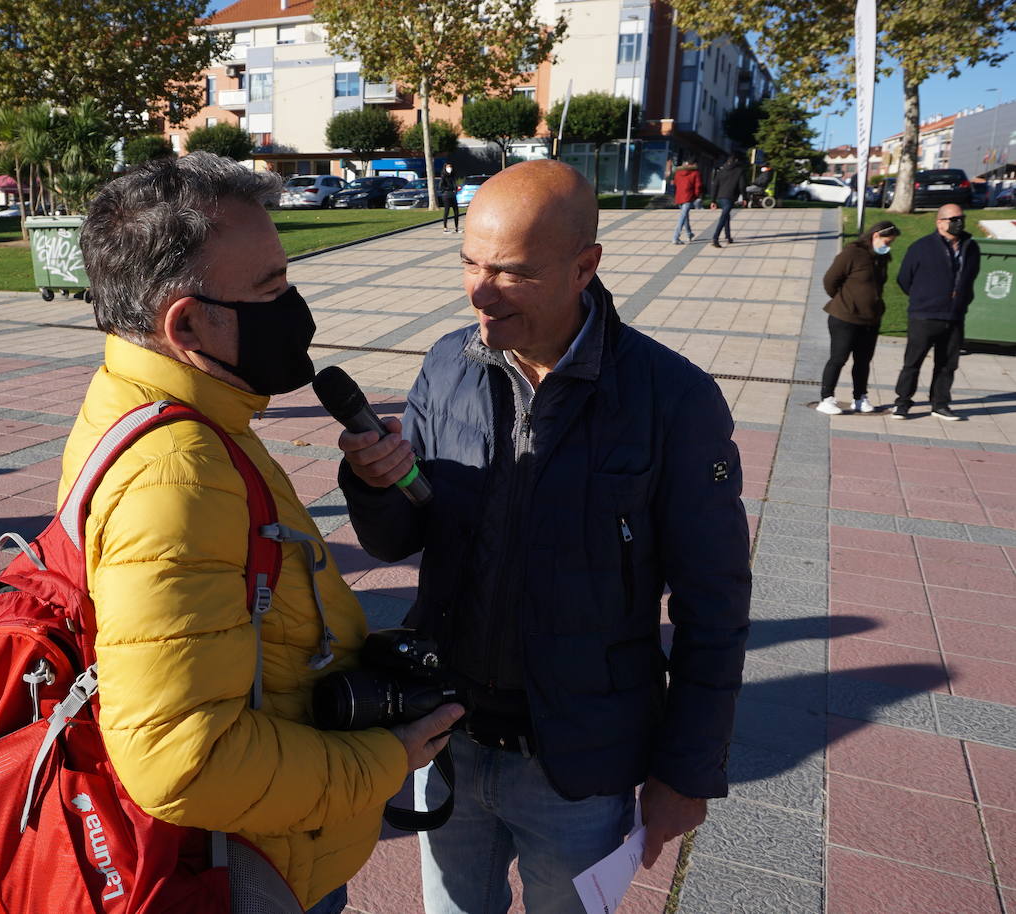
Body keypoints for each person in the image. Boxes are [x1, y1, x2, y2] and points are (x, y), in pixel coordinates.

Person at [337, 160, 751, 914]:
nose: (479, 291)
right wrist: (375, 484)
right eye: (468, 261)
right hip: (444, 736)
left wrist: (686, 774)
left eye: (512, 273)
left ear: (584, 268)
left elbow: (714, 604)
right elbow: (405, 540)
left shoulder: (673, 399)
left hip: (577, 763)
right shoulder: (444, 363)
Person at [65, 152, 461, 914]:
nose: (297, 308)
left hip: (276, 834)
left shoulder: (176, 403)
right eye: (272, 289)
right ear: (186, 323)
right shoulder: (175, 476)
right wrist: (386, 758)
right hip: (259, 867)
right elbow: (181, 762)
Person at [893, 204, 981, 420]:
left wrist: (962, 300)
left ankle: (940, 404)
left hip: (954, 316)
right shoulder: (921, 247)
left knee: (947, 364)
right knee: (913, 362)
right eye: (953, 218)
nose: (959, 222)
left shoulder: (971, 247)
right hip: (924, 315)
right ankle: (902, 403)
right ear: (940, 222)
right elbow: (904, 279)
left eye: (962, 217)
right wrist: (923, 297)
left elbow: (971, 277)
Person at [817, 221, 901, 415]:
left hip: (870, 320)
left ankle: (860, 397)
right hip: (844, 317)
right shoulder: (852, 254)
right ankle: (826, 398)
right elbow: (830, 280)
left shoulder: (881, 258)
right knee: (838, 358)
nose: (888, 245)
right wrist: (845, 300)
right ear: (875, 236)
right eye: (887, 241)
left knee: (863, 361)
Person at [709, 154, 746, 248]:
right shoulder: (739, 171)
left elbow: (715, 185)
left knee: (726, 216)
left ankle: (728, 236)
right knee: (724, 216)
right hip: (730, 196)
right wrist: (745, 198)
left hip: (721, 197)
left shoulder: (721, 171)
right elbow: (742, 186)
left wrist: (713, 200)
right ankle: (715, 237)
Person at [671, 161, 703, 244]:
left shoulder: (678, 173)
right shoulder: (695, 173)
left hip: (679, 196)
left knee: (685, 215)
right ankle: (675, 237)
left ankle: (689, 233)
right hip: (688, 197)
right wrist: (696, 196)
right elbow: (698, 186)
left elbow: (675, 183)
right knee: (683, 216)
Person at [439, 163, 460, 233]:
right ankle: (445, 228)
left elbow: (455, 184)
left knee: (456, 211)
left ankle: (456, 227)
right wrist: (448, 189)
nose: (450, 168)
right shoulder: (443, 176)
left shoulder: (452, 176)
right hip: (446, 195)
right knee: (446, 211)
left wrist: (456, 189)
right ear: (445, 168)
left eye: (450, 167)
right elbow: (441, 186)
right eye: (448, 167)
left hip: (453, 195)